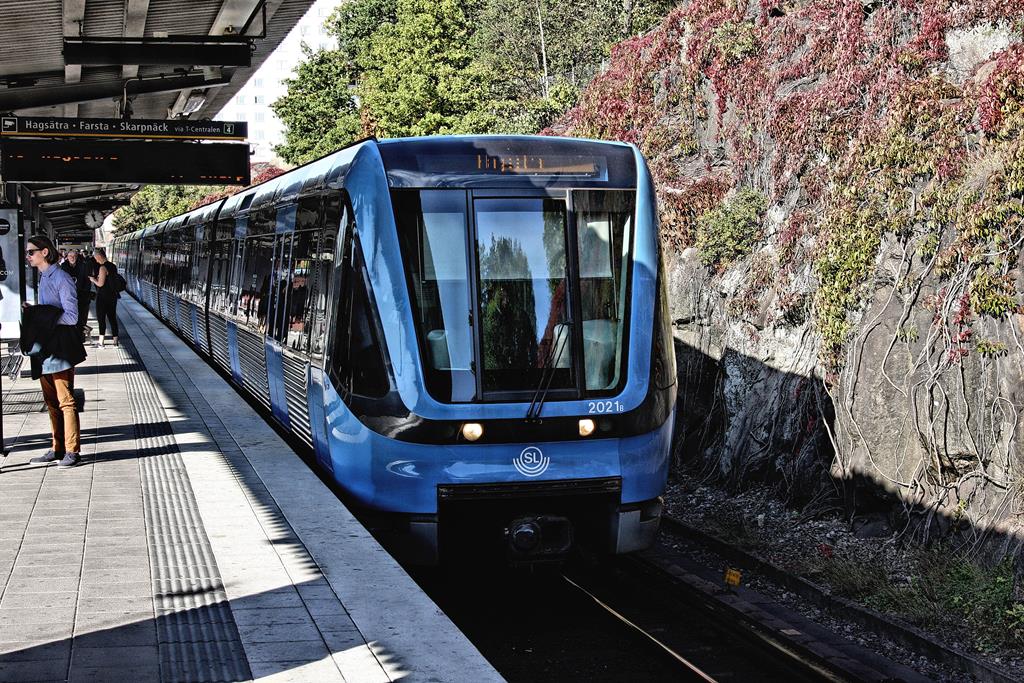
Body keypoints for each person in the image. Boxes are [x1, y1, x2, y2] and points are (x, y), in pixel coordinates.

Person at [23, 235, 87, 469]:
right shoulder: (43, 277)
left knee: (66, 400)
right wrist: (36, 311)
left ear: (45, 253)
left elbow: (72, 316)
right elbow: (50, 311)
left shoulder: (61, 278)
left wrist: (42, 314)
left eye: (31, 252)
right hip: (46, 344)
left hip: (61, 346)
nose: (28, 256)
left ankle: (72, 451)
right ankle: (57, 447)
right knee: (51, 401)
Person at [89, 247, 120, 346]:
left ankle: (101, 341)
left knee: (101, 319)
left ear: (98, 256)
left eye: (95, 257)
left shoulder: (103, 267)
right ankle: (115, 341)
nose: (95, 259)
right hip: (113, 296)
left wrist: (93, 279)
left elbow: (100, 284)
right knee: (112, 318)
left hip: (103, 297)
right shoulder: (113, 266)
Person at [61, 250, 93, 339]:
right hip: (68, 296)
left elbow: (87, 282)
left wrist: (85, 293)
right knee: (70, 316)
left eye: (74, 256)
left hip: (82, 296)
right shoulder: (63, 266)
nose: (72, 258)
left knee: (82, 317)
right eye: (70, 256)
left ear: (77, 256)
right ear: (67, 257)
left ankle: (80, 336)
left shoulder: (84, 266)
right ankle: (71, 336)